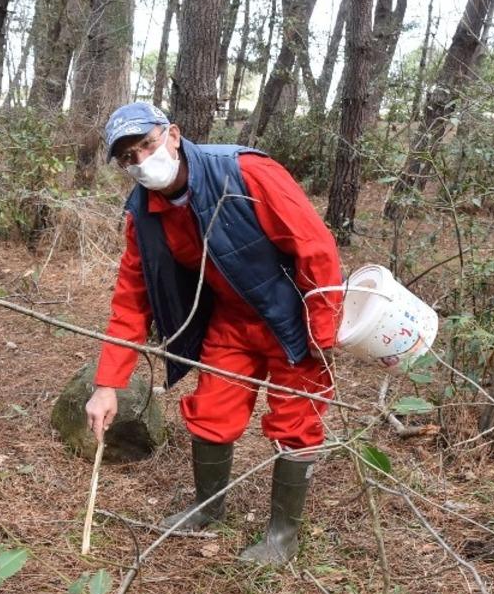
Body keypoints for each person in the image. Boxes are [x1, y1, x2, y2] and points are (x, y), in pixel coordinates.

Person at [84, 101, 344, 565]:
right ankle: (208, 508)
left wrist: (322, 333)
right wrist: (107, 385)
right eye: (128, 157)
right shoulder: (142, 216)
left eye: (147, 144)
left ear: (174, 135)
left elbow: (316, 247)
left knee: (296, 421)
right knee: (212, 409)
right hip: (230, 320)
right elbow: (130, 298)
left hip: (291, 317)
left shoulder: (245, 172)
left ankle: (283, 537)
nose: (143, 162)